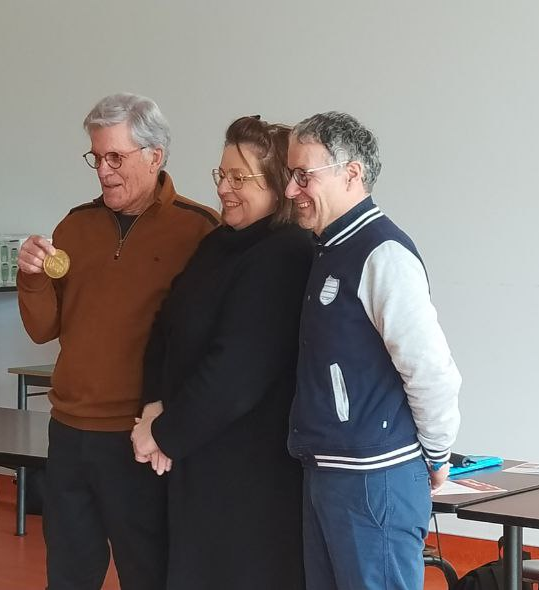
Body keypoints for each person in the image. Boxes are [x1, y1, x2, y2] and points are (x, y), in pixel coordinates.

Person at [16, 92, 219, 590]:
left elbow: (209, 344)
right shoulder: (75, 225)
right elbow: (43, 329)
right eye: (96, 158)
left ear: (155, 156)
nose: (103, 171)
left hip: (141, 438)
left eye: (115, 158)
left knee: (147, 572)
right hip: (68, 430)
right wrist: (31, 276)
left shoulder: (198, 231)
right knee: (67, 573)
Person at [130, 115, 312, 589]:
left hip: (248, 471)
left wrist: (167, 433)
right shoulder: (218, 243)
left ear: (276, 185)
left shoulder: (286, 253)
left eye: (239, 178)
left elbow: (236, 372)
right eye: (221, 175)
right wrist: (152, 409)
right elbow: (164, 327)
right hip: (195, 455)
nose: (225, 188)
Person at [283, 111, 462, 590]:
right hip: (329, 472)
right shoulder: (329, 249)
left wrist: (438, 454)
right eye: (288, 175)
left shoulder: (383, 254)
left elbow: (431, 370)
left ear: (352, 172)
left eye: (303, 175)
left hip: (374, 479)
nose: (290, 190)